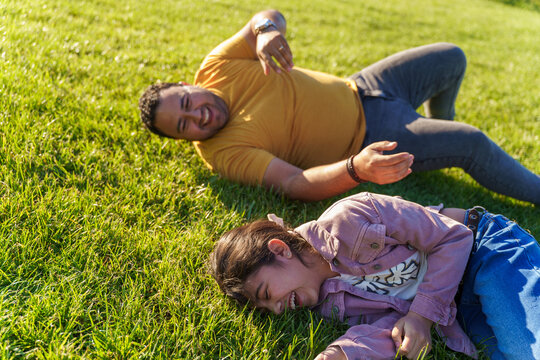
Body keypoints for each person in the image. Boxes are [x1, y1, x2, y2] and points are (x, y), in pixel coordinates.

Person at [138, 9, 540, 205]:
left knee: (452, 57)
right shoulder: (224, 154)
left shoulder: (216, 67)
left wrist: (265, 32)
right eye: (184, 125)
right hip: (372, 135)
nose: (198, 115)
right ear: (183, 138)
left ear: (188, 84)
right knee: (472, 144)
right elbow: (295, 184)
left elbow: (266, 15)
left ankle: (439, 133)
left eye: (188, 103)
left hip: (367, 85)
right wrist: (355, 168)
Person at [209, 192, 540, 359]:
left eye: (267, 294)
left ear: (280, 250)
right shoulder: (327, 303)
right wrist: (343, 354)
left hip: (484, 251)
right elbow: (390, 328)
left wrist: (422, 316)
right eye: (268, 309)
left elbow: (453, 238)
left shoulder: (351, 219)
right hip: (457, 304)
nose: (279, 308)